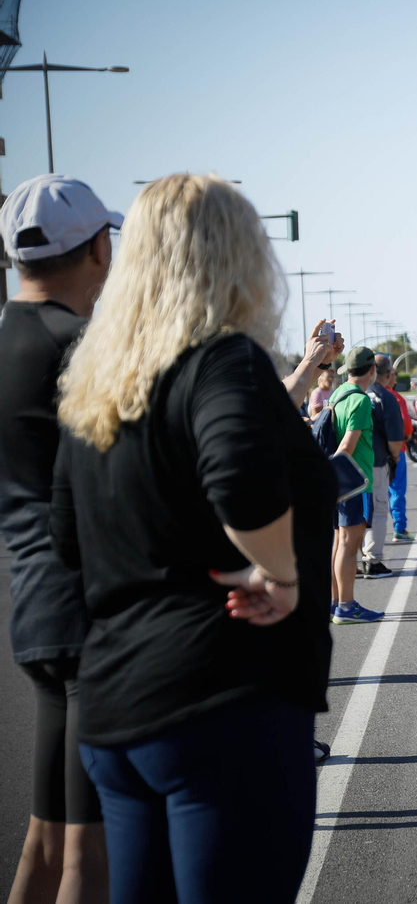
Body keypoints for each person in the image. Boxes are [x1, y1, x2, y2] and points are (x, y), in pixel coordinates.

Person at [50, 173, 334, 903]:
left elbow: (66, 534)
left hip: (117, 710)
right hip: (223, 700)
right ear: (238, 259)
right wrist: (284, 575)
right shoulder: (221, 360)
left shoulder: (100, 377)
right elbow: (238, 474)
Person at [1, 174, 114, 904]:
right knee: (87, 858)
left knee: (41, 848)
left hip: (34, 607)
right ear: (99, 248)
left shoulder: (7, 340)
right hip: (88, 615)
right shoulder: (82, 350)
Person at [328, 348, 387, 619]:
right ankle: (347, 606)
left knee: (339, 543)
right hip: (355, 482)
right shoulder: (361, 401)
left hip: (338, 484)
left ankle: (335, 602)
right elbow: (347, 446)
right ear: (372, 371)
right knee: (350, 547)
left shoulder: (337, 394)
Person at [360, 353, 405, 574]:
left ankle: (354, 558)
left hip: (352, 463)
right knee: (378, 510)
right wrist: (395, 457)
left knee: (356, 512)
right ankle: (373, 560)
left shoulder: (357, 393)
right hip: (377, 462)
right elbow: (396, 440)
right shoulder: (386, 398)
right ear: (387, 374)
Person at [379, 359, 414, 542]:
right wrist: (406, 436)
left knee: (378, 492)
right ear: (387, 376)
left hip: (375, 451)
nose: (394, 378)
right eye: (393, 374)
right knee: (397, 489)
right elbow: (405, 425)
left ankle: (374, 533)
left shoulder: (367, 394)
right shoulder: (395, 397)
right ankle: (399, 528)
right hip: (395, 449)